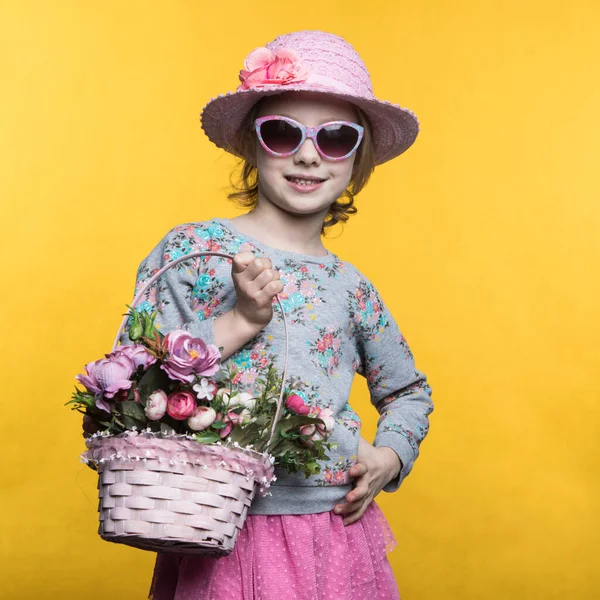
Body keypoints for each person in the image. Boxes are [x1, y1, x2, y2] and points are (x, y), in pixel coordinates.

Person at [121, 30, 433, 600]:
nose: (309, 154)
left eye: (337, 138)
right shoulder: (193, 251)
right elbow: (132, 381)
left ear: (358, 158)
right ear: (251, 143)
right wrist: (241, 320)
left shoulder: (350, 286)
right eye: (284, 132)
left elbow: (408, 389)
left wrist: (390, 457)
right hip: (214, 527)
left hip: (330, 529)